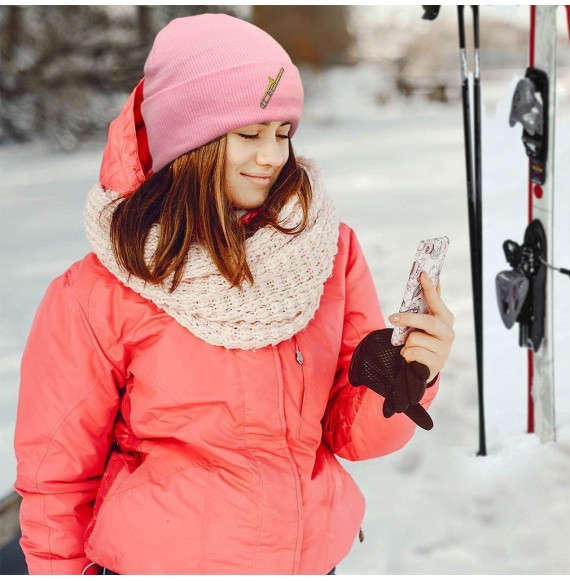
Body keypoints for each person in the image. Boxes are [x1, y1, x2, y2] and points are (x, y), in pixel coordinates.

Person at [13, 13, 455, 575]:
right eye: (249, 134)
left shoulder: (327, 252)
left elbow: (350, 436)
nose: (271, 157)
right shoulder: (99, 291)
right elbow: (56, 483)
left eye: (283, 133)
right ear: (187, 141)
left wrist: (408, 372)